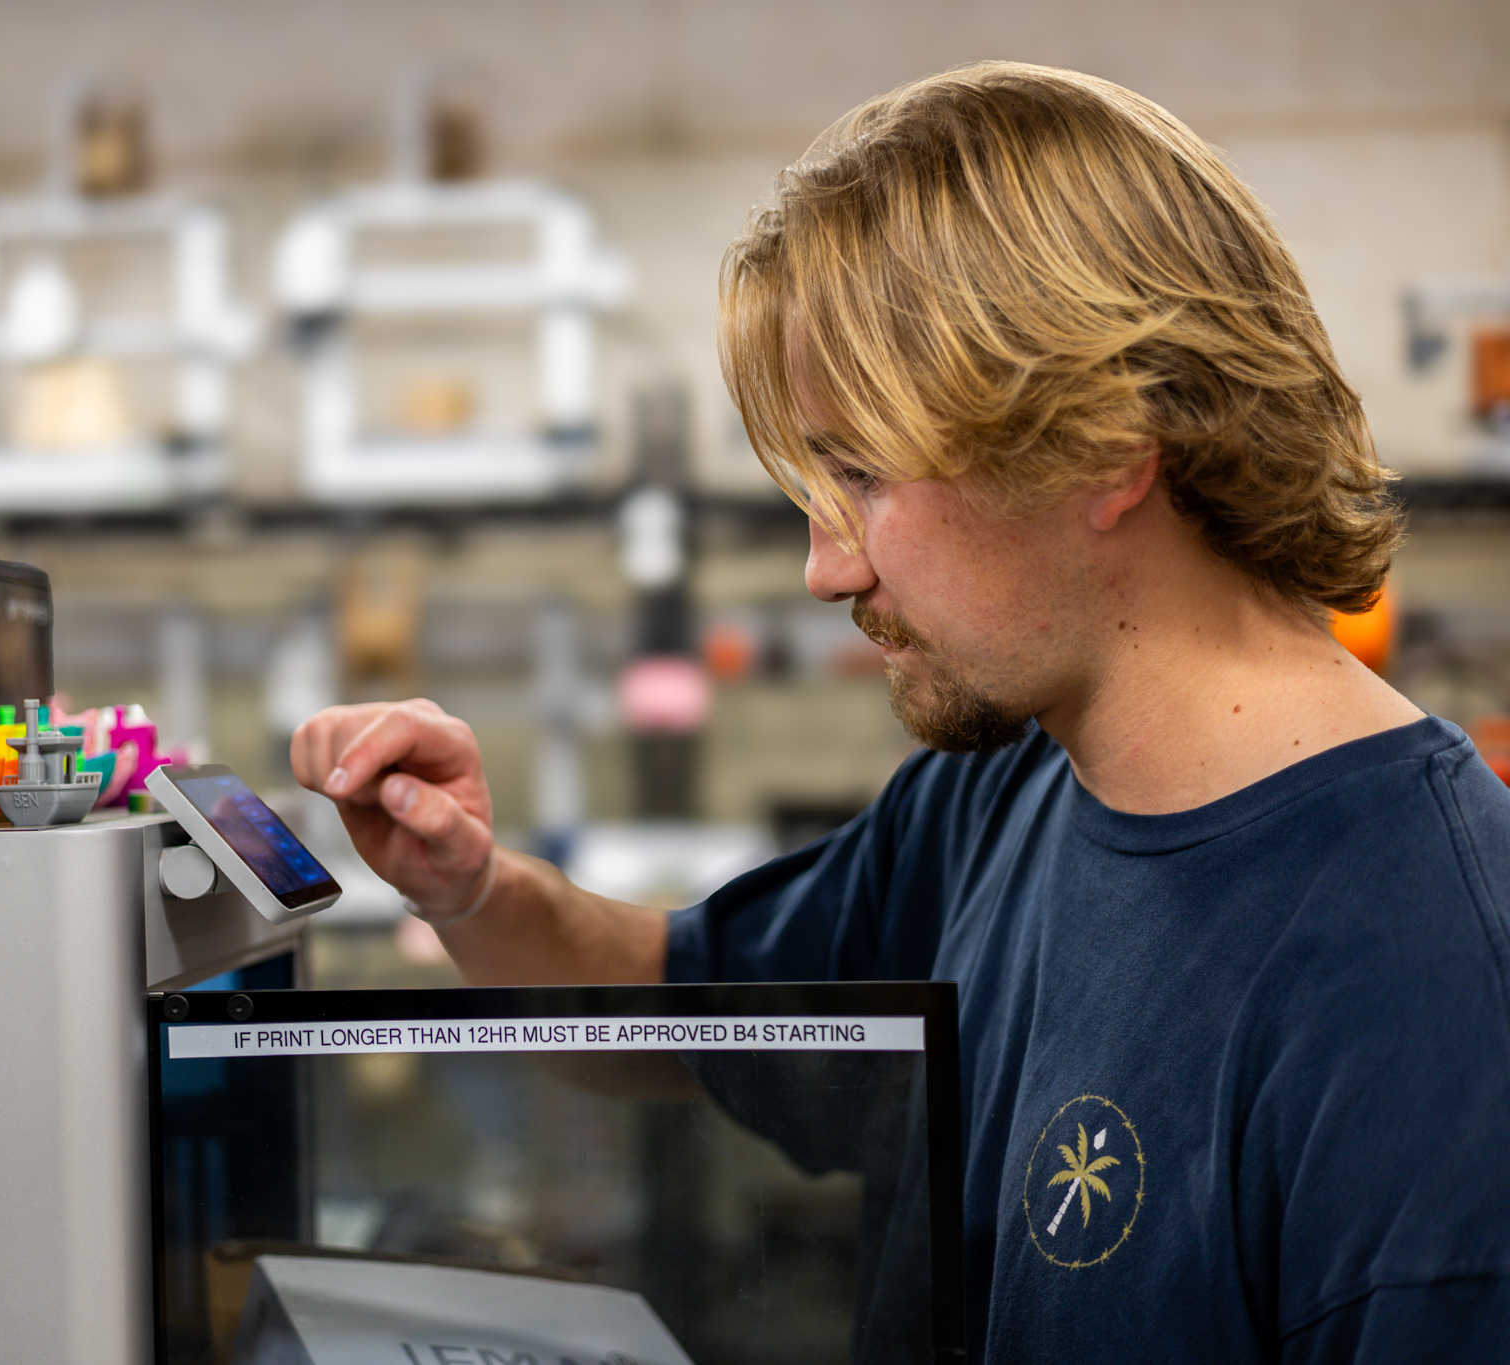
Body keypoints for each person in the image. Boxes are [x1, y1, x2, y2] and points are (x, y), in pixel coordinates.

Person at [290, 61, 1510, 1363]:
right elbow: (667, 1010)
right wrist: (473, 887)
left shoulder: (1433, 993)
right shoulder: (1010, 790)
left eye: (864, 475)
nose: (829, 569)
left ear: (1104, 446)